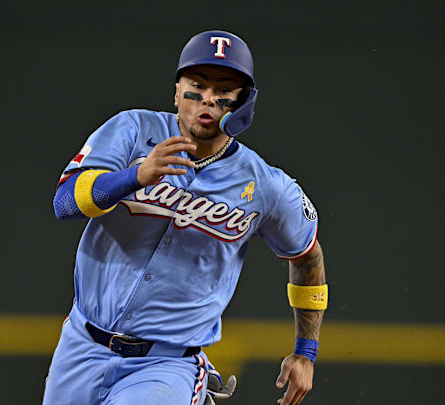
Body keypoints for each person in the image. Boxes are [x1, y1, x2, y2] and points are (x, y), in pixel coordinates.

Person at [43, 30, 327, 405]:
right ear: (177, 91)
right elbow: (65, 202)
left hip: (166, 364)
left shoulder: (266, 186)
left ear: (244, 103)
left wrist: (305, 352)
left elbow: (307, 256)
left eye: (224, 89)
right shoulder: (132, 130)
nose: (207, 98)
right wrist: (135, 176)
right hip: (81, 346)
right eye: (197, 84)